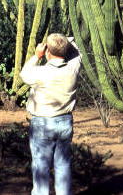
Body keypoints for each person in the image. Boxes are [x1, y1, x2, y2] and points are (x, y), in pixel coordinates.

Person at [20, 33, 82, 195]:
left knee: (41, 167)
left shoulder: (40, 73)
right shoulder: (73, 70)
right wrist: (66, 42)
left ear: (47, 51)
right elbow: (77, 53)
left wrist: (37, 55)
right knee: (63, 166)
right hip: (65, 122)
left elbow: (23, 74)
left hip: (42, 124)